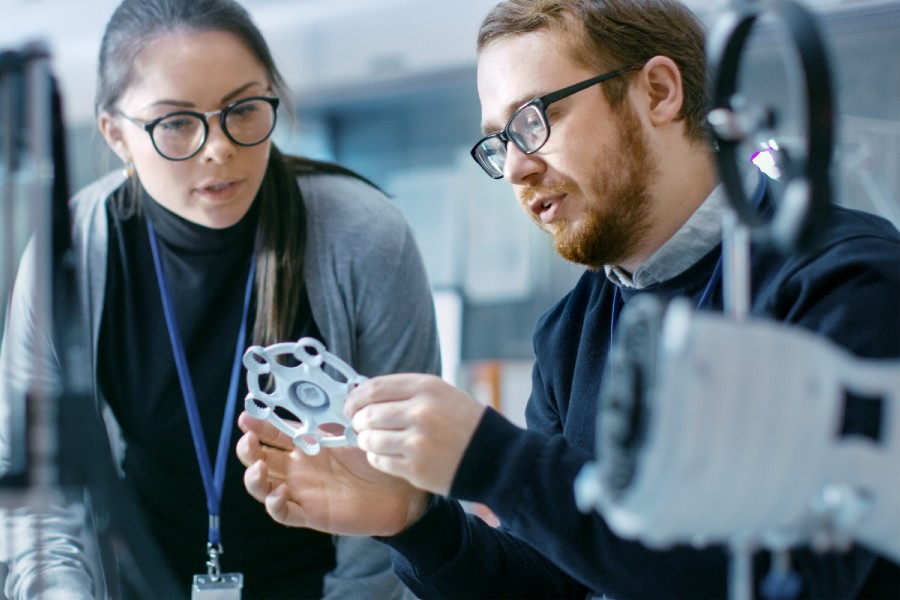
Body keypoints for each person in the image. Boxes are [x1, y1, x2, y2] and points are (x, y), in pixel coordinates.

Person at [236, 0, 900, 598]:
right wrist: (415, 521)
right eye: (499, 141)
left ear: (660, 92)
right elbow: (551, 586)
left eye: (535, 119)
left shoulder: (844, 280)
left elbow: (795, 576)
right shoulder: (572, 330)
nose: (517, 167)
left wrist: (496, 462)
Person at [0, 0, 441, 598]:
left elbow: (399, 480)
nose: (218, 147)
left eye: (243, 109)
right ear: (116, 135)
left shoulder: (364, 237)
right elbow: (37, 485)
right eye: (176, 122)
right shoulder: (71, 254)